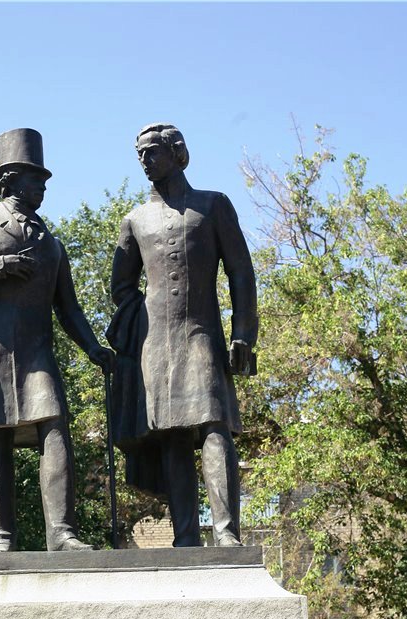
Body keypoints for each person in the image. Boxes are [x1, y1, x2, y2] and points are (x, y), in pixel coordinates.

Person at [0, 128, 113, 551]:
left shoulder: (53, 245)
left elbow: (69, 309)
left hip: (38, 351)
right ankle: (0, 538)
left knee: (55, 429)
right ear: (10, 180)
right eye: (37, 178)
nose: (44, 187)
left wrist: (93, 348)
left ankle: (62, 534)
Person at [108, 123, 258, 547]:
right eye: (140, 153)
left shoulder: (213, 206)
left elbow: (241, 272)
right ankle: (186, 537)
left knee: (214, 425)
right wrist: (140, 325)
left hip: (202, 335)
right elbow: (121, 287)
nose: (145, 160)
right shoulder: (135, 220)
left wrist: (243, 332)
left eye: (152, 151)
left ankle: (226, 533)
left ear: (177, 153)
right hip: (156, 345)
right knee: (171, 435)